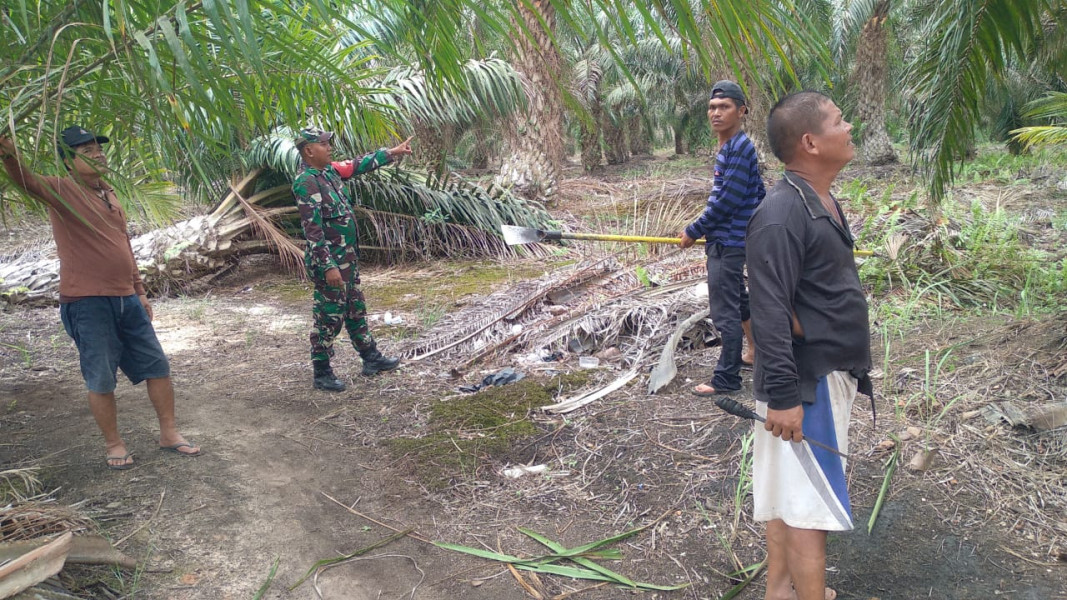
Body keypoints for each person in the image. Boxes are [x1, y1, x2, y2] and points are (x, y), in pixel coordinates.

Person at [0, 127, 201, 470]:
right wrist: (7, 150)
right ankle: (114, 444)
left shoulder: (109, 192)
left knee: (158, 366)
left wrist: (139, 291)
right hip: (87, 302)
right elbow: (25, 179)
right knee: (101, 376)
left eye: (98, 148)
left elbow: (123, 244)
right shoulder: (62, 190)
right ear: (68, 161)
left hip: (127, 299)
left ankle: (169, 433)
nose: (97, 154)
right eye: (86, 151)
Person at [746, 91, 874, 600]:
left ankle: (780, 591)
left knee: (791, 495)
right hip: (805, 385)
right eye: (839, 121)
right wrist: (783, 396)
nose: (849, 127)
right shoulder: (781, 213)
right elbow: (768, 311)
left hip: (823, 376)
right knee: (809, 508)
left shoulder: (818, 200)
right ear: (810, 142)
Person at [292, 128, 413, 391]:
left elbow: (357, 164)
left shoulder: (329, 172)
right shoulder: (307, 182)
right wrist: (328, 267)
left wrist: (391, 153)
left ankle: (371, 359)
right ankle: (322, 372)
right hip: (332, 264)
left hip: (347, 260)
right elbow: (313, 231)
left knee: (355, 310)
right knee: (329, 317)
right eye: (324, 144)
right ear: (309, 150)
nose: (329, 148)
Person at [680, 80, 765, 397]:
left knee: (724, 311)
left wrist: (694, 230)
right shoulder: (732, 147)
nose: (716, 113)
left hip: (728, 242)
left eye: (724, 107)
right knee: (739, 301)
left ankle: (727, 378)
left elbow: (727, 200)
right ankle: (754, 352)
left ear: (741, 111)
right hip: (731, 238)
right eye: (712, 107)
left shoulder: (739, 149)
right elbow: (758, 193)